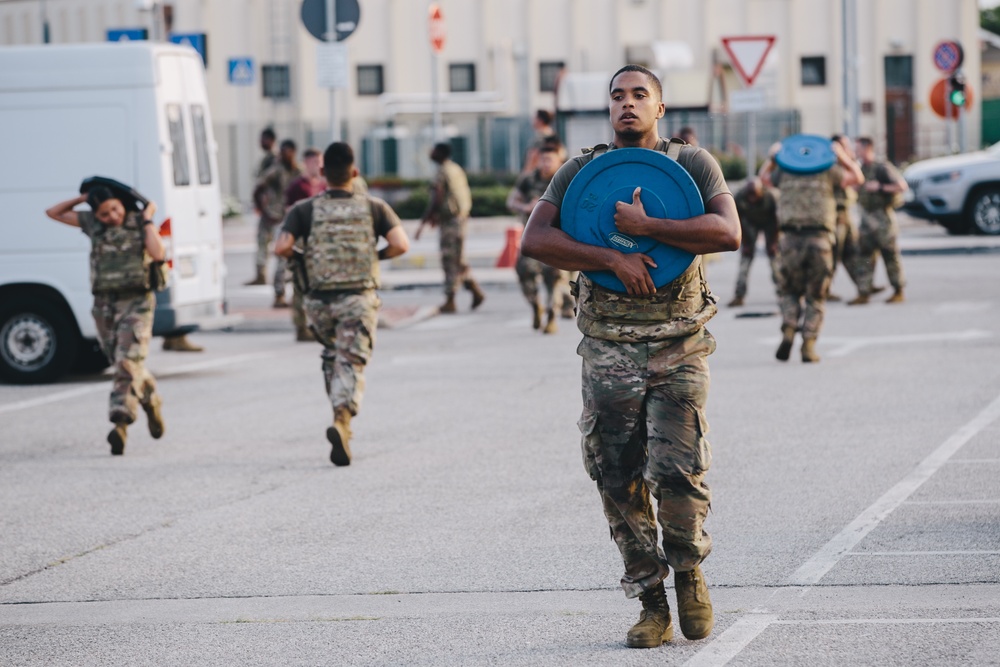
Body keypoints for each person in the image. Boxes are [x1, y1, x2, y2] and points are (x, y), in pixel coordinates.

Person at [521, 64, 741, 649]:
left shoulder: (693, 164)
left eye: (640, 95)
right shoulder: (580, 172)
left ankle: (690, 572)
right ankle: (650, 601)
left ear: (660, 107)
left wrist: (649, 227)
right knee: (616, 476)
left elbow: (727, 232)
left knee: (677, 470)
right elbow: (535, 239)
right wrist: (609, 257)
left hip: (680, 343)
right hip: (609, 348)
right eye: (617, 96)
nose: (627, 104)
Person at [274, 142, 409, 466]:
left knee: (332, 355)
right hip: (356, 298)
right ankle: (342, 418)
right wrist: (372, 257)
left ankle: (339, 412)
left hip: (319, 301)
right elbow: (400, 244)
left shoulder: (304, 210)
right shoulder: (374, 207)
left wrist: (304, 260)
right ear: (355, 172)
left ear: (322, 173)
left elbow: (282, 247)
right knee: (351, 360)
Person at [45, 186, 167, 455]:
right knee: (123, 361)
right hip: (105, 305)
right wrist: (82, 200)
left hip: (137, 302)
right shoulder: (92, 225)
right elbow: (53, 213)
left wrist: (147, 216)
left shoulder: (139, 222)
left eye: (115, 208)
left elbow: (158, 254)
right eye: (104, 212)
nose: (112, 215)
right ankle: (150, 399)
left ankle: (120, 422)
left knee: (126, 361)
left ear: (123, 204)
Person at [763, 137, 864, 362]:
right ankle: (808, 344)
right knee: (816, 296)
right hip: (820, 241)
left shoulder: (786, 173)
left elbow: (764, 179)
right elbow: (858, 177)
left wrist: (772, 157)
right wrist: (842, 156)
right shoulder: (828, 171)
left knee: (789, 290)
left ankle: (789, 329)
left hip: (790, 241)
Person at [507, 144, 570, 333]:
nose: (546, 163)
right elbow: (511, 201)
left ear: (559, 161)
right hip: (533, 239)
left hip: (557, 239)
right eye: (543, 159)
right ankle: (535, 305)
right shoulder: (528, 180)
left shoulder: (565, 179)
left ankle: (551, 316)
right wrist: (526, 207)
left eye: (550, 159)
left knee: (555, 279)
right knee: (524, 272)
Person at [418, 143, 485, 313]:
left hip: (450, 221)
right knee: (458, 259)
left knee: (449, 259)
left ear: (440, 153)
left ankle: (451, 299)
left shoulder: (442, 171)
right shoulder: (455, 168)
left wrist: (426, 220)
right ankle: (474, 290)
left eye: (433, 150)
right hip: (460, 218)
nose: (430, 153)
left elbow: (437, 197)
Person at [848, 136, 908, 305]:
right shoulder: (860, 169)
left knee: (890, 255)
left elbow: (901, 186)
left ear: (868, 148)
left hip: (882, 218)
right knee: (863, 256)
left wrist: (880, 187)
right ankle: (864, 292)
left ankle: (898, 290)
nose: (856, 151)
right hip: (866, 218)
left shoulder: (881, 167)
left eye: (858, 148)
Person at [283, 147, 327, 342]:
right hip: (301, 237)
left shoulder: (325, 186)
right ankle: (301, 325)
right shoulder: (297, 187)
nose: (316, 166)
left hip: (318, 239)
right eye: (312, 162)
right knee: (300, 283)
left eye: (318, 162)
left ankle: (316, 323)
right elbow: (288, 213)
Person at [827, 134, 874, 302]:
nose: (848, 150)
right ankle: (823, 288)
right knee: (833, 255)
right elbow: (856, 178)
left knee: (852, 253)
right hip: (836, 216)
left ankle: (864, 286)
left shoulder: (844, 164)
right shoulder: (832, 167)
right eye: (844, 146)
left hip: (846, 214)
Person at [256, 139, 302, 308]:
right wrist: (263, 209)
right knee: (281, 256)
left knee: (299, 257)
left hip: (295, 217)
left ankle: (297, 294)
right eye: (284, 151)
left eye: (289, 151)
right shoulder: (275, 171)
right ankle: (279, 293)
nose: (286, 154)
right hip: (277, 217)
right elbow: (259, 187)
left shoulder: (299, 172)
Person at [728, 177, 781, 307]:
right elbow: (736, 221)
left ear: (760, 191)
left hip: (769, 223)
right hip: (749, 224)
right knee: (745, 260)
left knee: (775, 260)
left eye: (754, 194)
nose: (751, 198)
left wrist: (773, 242)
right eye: (749, 195)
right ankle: (739, 295)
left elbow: (777, 221)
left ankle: (783, 293)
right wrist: (745, 243)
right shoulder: (740, 197)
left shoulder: (770, 197)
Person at [245, 128, 279, 286]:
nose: (261, 142)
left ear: (270, 140)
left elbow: (265, 184)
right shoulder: (267, 158)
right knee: (263, 241)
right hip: (268, 208)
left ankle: (268, 275)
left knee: (270, 241)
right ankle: (261, 274)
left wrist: (262, 203)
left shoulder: (274, 159)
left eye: (263, 139)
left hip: (273, 208)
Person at [522, 108, 558, 173]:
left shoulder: (541, 138)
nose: (532, 120)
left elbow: (533, 157)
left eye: (534, 118)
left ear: (540, 120)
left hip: (540, 174)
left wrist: (526, 173)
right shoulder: (553, 136)